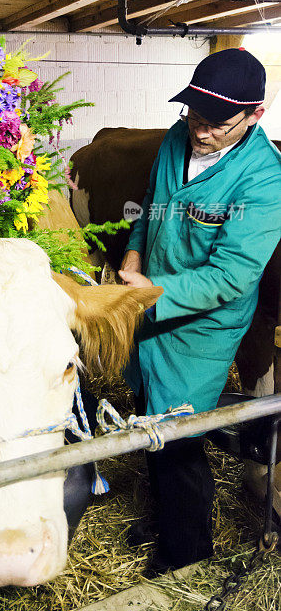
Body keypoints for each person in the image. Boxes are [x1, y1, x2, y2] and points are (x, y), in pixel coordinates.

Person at [118, 48, 281, 574]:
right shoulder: (176, 138)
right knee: (147, 417)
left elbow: (233, 277)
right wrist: (134, 251)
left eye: (215, 123)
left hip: (200, 327)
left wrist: (149, 291)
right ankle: (169, 517)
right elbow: (150, 204)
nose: (199, 132)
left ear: (255, 115)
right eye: (193, 116)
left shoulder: (265, 181)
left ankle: (186, 554)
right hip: (148, 301)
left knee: (179, 436)